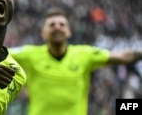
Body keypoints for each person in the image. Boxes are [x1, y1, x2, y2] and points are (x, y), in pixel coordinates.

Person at [10, 7, 142, 115]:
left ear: (69, 32)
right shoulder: (30, 54)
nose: (57, 27)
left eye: (62, 24)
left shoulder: (84, 54)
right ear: (43, 33)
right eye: (51, 25)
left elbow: (121, 56)